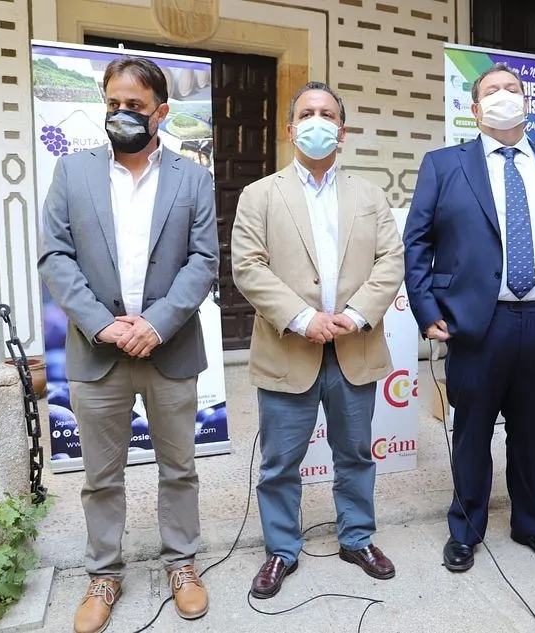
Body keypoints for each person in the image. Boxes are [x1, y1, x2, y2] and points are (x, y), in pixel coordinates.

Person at [38, 57, 218, 632]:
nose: (122, 115)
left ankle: (182, 564)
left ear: (161, 112)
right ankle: (104, 573)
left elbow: (204, 260)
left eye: (135, 107)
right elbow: (55, 257)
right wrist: (103, 324)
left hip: (169, 348)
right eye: (113, 104)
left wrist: (156, 323)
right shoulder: (73, 171)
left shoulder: (193, 178)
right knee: (101, 475)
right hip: (100, 352)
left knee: (179, 468)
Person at [404, 63, 535, 572]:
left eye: (512, 89)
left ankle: (531, 523)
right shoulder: (444, 165)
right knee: (471, 431)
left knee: (530, 432)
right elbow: (417, 242)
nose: (503, 96)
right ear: (474, 110)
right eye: (491, 90)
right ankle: (466, 527)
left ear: (528, 103)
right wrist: (426, 310)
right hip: (476, 324)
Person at [231, 81, 404, 599]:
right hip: (289, 348)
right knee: (281, 460)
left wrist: (354, 314)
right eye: (307, 113)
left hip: (355, 346)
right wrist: (305, 318)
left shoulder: (370, 196)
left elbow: (390, 261)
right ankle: (281, 549)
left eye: (327, 113)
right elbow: (248, 267)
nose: (317, 120)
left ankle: (357, 538)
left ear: (342, 131)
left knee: (355, 453)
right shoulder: (259, 194)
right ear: (290, 129)